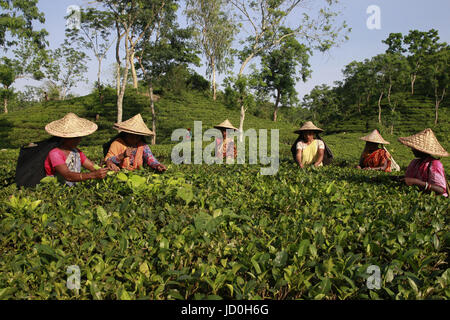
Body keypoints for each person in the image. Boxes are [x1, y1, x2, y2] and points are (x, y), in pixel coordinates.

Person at [44, 113, 108, 186]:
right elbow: (67, 175)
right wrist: (92, 175)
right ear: (65, 138)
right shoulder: (55, 154)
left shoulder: (76, 152)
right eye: (75, 138)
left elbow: (92, 167)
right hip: (56, 189)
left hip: (73, 188)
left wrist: (106, 168)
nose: (79, 140)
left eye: (79, 137)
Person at [398, 128, 448, 197]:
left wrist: (416, 182)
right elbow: (410, 178)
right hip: (418, 196)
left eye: (414, 148)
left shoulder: (434, 164)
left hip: (434, 200)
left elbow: (441, 190)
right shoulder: (415, 162)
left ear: (421, 150)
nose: (412, 150)